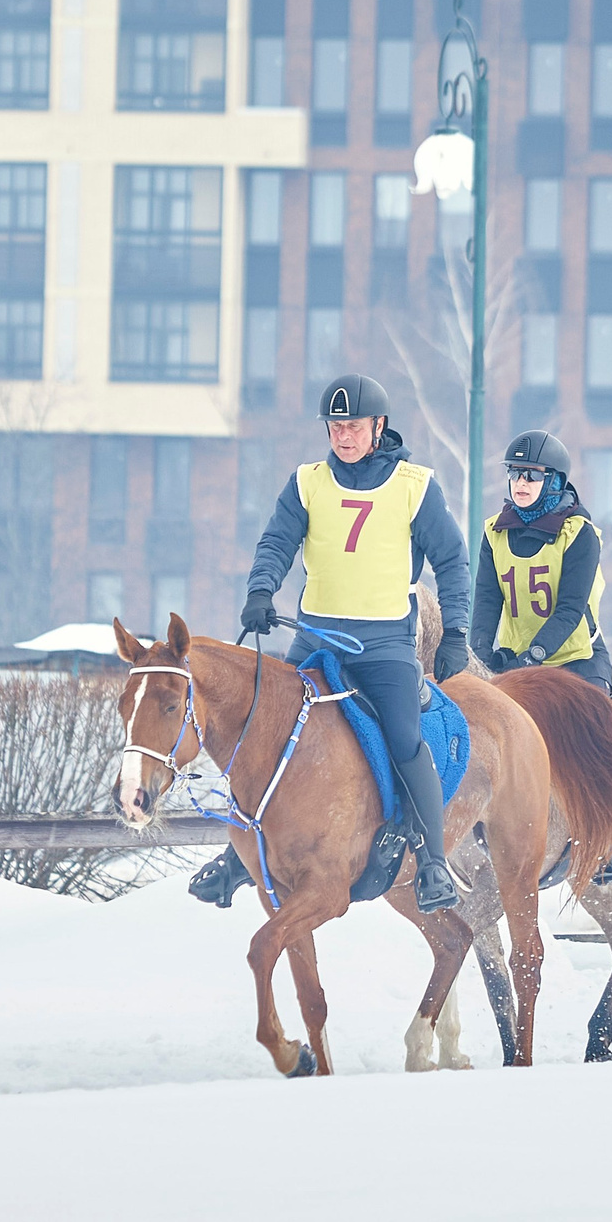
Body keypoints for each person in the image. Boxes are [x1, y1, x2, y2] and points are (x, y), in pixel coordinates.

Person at [197, 374, 474, 913]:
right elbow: (277, 541)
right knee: (262, 729)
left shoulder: (416, 485)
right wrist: (260, 590)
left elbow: (453, 561)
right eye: (335, 426)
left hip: (386, 645)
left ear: (379, 427)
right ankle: (237, 858)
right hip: (313, 639)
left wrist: (457, 630)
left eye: (352, 426)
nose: (343, 436)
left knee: (402, 736)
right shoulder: (307, 483)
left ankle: (434, 861)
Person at [471, 429, 612, 886]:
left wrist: (535, 656)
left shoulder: (580, 533)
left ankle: (609, 842)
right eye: (514, 474)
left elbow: (570, 608)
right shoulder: (494, 532)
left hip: (576, 657)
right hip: (517, 659)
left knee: (598, 734)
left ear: (555, 481)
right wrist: (482, 655)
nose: (520, 483)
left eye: (532, 475)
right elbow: (486, 601)